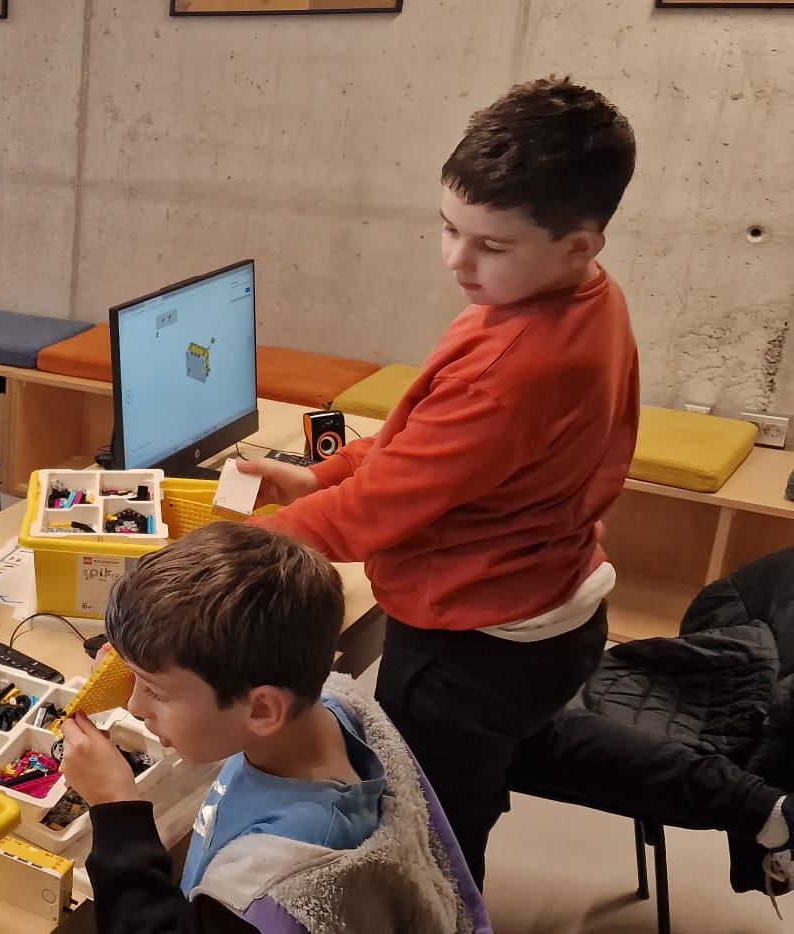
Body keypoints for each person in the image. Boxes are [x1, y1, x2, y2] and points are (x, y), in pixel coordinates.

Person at [235, 76, 792, 890]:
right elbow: (420, 438)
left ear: (580, 244)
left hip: (474, 642)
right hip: (554, 615)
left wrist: (230, 549)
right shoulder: (582, 294)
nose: (457, 261)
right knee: (526, 743)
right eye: (449, 229)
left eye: (490, 246)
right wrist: (319, 475)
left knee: (434, 837)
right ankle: (762, 807)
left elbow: (374, 513)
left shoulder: (513, 367)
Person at [60, 523, 486, 933]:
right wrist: (146, 667)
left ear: (263, 710)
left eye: (154, 691)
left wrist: (115, 808)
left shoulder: (268, 891)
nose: (135, 706)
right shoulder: (319, 707)